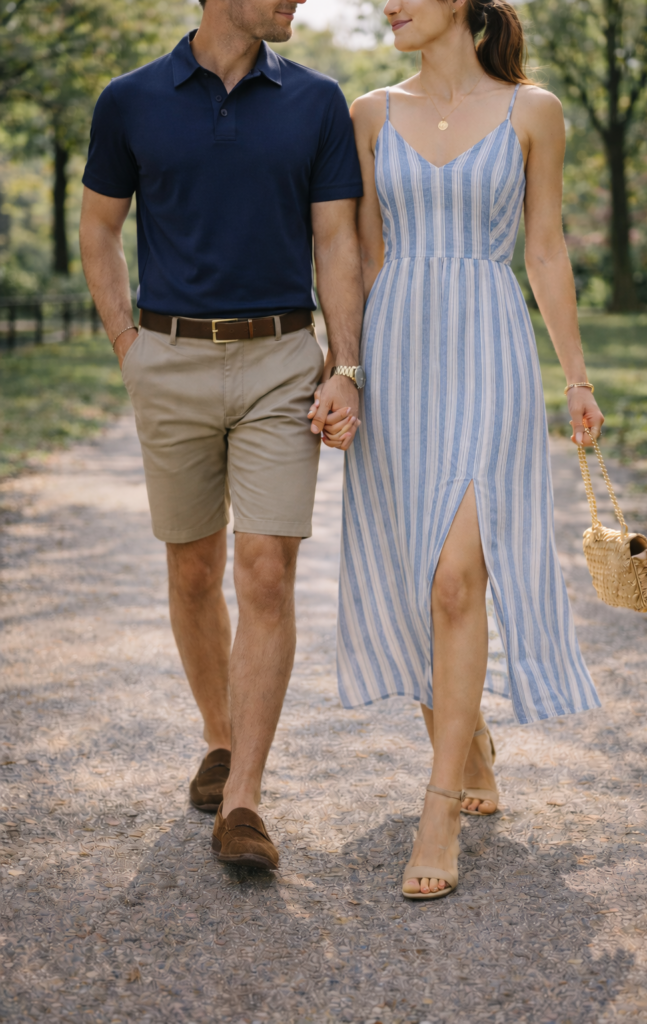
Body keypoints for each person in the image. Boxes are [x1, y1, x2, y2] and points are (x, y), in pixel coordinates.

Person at [325, 0, 604, 899]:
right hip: (400, 355)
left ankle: (437, 804)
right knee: (415, 574)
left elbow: (546, 246)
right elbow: (362, 259)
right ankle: (466, 736)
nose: (388, 7)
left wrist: (576, 378)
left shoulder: (534, 111)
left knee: (457, 579)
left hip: (488, 352)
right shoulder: (368, 112)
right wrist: (348, 372)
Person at [79, 0, 366, 871]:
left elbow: (337, 241)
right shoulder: (128, 100)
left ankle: (243, 798)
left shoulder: (317, 102)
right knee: (193, 566)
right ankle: (217, 737)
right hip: (167, 357)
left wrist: (343, 365)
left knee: (267, 570)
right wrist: (127, 343)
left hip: (281, 356)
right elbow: (99, 225)